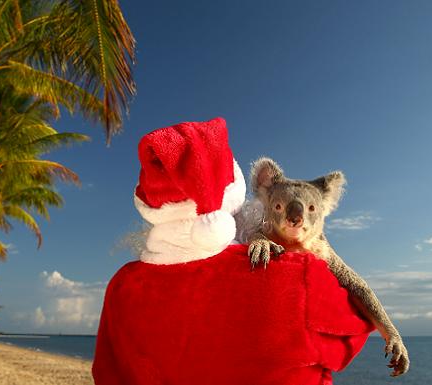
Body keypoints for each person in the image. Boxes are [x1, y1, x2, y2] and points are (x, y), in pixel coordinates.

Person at [92, 117, 374, 385]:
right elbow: (356, 330)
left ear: (151, 206)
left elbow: (106, 372)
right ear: (235, 193)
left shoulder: (122, 286)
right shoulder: (294, 274)